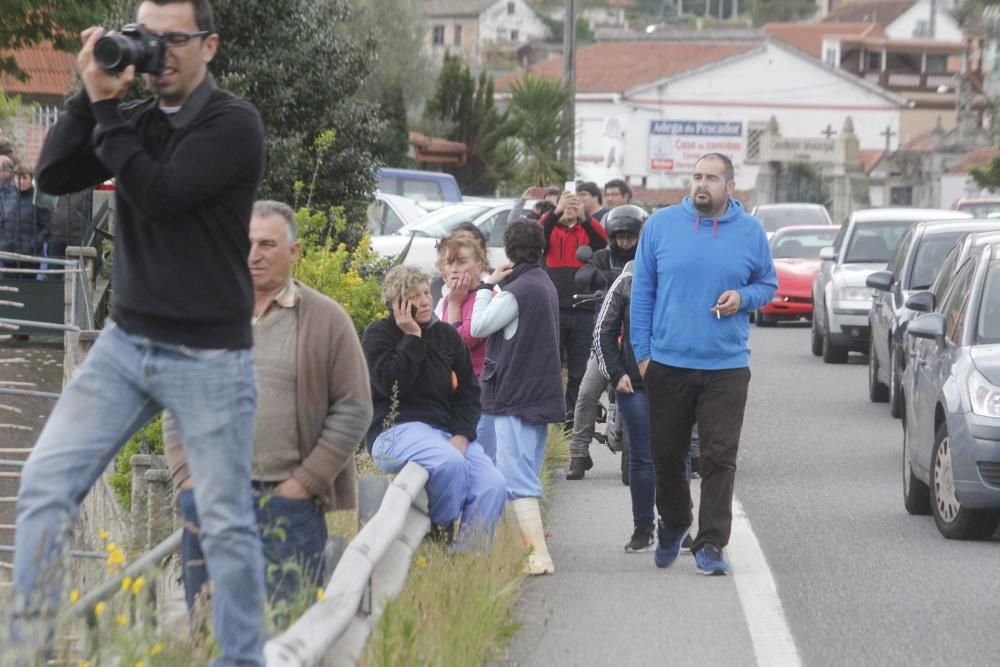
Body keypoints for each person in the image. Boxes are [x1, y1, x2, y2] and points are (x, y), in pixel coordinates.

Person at [11, 1, 269, 663]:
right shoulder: (128, 115)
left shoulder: (233, 123)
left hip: (210, 352)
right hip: (127, 343)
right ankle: (29, 649)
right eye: (145, 39)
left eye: (174, 40)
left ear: (209, 46)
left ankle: (240, 658)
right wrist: (88, 89)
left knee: (224, 524)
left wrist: (105, 113)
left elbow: (157, 191)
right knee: (44, 483)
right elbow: (53, 175)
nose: (159, 53)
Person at [163, 200, 372, 612]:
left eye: (267, 244)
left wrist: (303, 485)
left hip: (288, 504)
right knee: (208, 626)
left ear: (293, 252)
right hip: (211, 497)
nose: (253, 255)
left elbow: (354, 408)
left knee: (286, 623)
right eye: (247, 243)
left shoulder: (326, 320)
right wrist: (186, 477)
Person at [631, 153, 777, 576]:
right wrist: (644, 356)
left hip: (726, 366)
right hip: (668, 363)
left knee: (719, 456)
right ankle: (675, 521)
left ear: (730, 186)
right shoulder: (660, 226)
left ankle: (711, 542)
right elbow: (642, 295)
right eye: (697, 176)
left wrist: (743, 298)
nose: (702, 185)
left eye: (711, 178)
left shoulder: (750, 232)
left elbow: (767, 283)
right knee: (667, 455)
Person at [362, 265, 506, 551]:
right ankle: (441, 535)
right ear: (396, 304)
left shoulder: (446, 336)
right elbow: (391, 385)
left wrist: (463, 434)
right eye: (415, 297)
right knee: (448, 462)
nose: (426, 301)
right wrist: (412, 338)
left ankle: (467, 562)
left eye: (427, 292)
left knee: (493, 484)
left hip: (444, 431)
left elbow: (468, 391)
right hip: (394, 431)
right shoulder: (378, 335)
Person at [470, 220, 565, 575]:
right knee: (526, 471)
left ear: (508, 251)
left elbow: (479, 327)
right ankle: (523, 550)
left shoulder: (515, 291)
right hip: (541, 391)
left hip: (514, 393)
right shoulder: (544, 284)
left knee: (515, 475)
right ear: (542, 248)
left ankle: (536, 556)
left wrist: (484, 286)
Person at [566, 204, 646, 479]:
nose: (625, 241)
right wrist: (598, 278)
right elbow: (582, 276)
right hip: (606, 341)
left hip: (640, 344)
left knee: (679, 391)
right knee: (587, 392)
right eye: (620, 236)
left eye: (630, 236)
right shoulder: (602, 257)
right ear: (611, 236)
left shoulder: (647, 260)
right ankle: (578, 453)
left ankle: (690, 452)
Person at [538, 191, 607, 426]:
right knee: (552, 368)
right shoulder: (550, 230)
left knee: (578, 370)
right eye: (566, 203)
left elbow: (601, 242)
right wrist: (556, 211)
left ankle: (572, 419)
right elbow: (537, 236)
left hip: (583, 308)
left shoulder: (586, 231)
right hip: (554, 309)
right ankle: (553, 417)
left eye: (574, 203)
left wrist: (584, 217)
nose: (570, 207)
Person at [434, 233, 498, 462]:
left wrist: (455, 305)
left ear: (478, 266)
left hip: (481, 393)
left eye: (461, 262)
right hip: (453, 392)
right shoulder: (447, 299)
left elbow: (462, 342)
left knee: (476, 458)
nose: (454, 269)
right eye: (449, 263)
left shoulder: (487, 296)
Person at [3, 164, 52, 258]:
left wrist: (32, 245)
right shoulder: (7, 196)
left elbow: (48, 227)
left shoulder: (38, 198)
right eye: (17, 178)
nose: (20, 181)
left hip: (30, 254)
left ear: (31, 179)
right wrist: (3, 243)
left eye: (24, 178)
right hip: (7, 252)